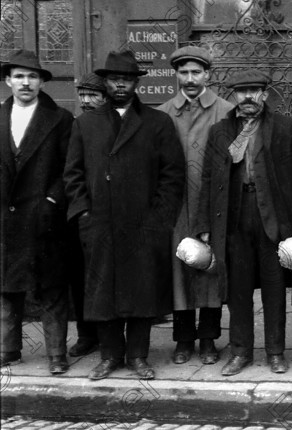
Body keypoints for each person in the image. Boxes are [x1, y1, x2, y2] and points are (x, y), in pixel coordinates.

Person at [64, 50, 185, 380]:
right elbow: (72, 175)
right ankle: (109, 355)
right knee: (103, 292)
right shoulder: (86, 124)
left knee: (141, 291)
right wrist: (84, 215)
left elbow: (172, 175)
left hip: (143, 224)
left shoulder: (157, 122)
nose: (121, 85)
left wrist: (160, 220)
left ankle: (137, 356)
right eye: (116, 79)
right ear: (105, 82)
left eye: (128, 79)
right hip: (100, 223)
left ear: (136, 83)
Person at [194, 69, 292, 376]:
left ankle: (276, 352)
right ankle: (240, 352)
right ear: (234, 96)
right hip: (234, 218)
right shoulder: (220, 132)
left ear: (265, 94)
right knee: (237, 290)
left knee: (274, 288)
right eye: (242, 91)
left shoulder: (285, 128)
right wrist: (204, 223)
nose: (249, 97)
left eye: (255, 90)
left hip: (272, 218)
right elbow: (208, 179)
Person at [159, 47, 234, 366]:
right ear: (176, 75)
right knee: (179, 274)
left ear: (208, 75)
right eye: (183, 73)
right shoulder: (163, 114)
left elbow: (238, 159)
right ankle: (183, 340)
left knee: (210, 272)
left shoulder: (227, 112)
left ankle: (208, 340)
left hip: (214, 207)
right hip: (177, 209)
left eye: (196, 73)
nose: (189, 79)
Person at [1, 50, 73, 374]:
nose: (25, 83)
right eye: (18, 76)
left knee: (51, 286)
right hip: (5, 216)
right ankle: (8, 348)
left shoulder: (60, 119)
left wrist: (53, 201)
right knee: (6, 286)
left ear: (43, 81)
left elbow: (69, 168)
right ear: (7, 81)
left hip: (44, 216)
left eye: (32, 76)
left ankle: (57, 353)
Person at [67, 73, 107, 359]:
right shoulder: (75, 126)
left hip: (110, 216)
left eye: (92, 95)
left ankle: (109, 336)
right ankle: (86, 335)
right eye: (82, 94)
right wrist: (80, 209)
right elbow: (71, 171)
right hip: (79, 215)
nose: (85, 100)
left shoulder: (113, 127)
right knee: (81, 278)